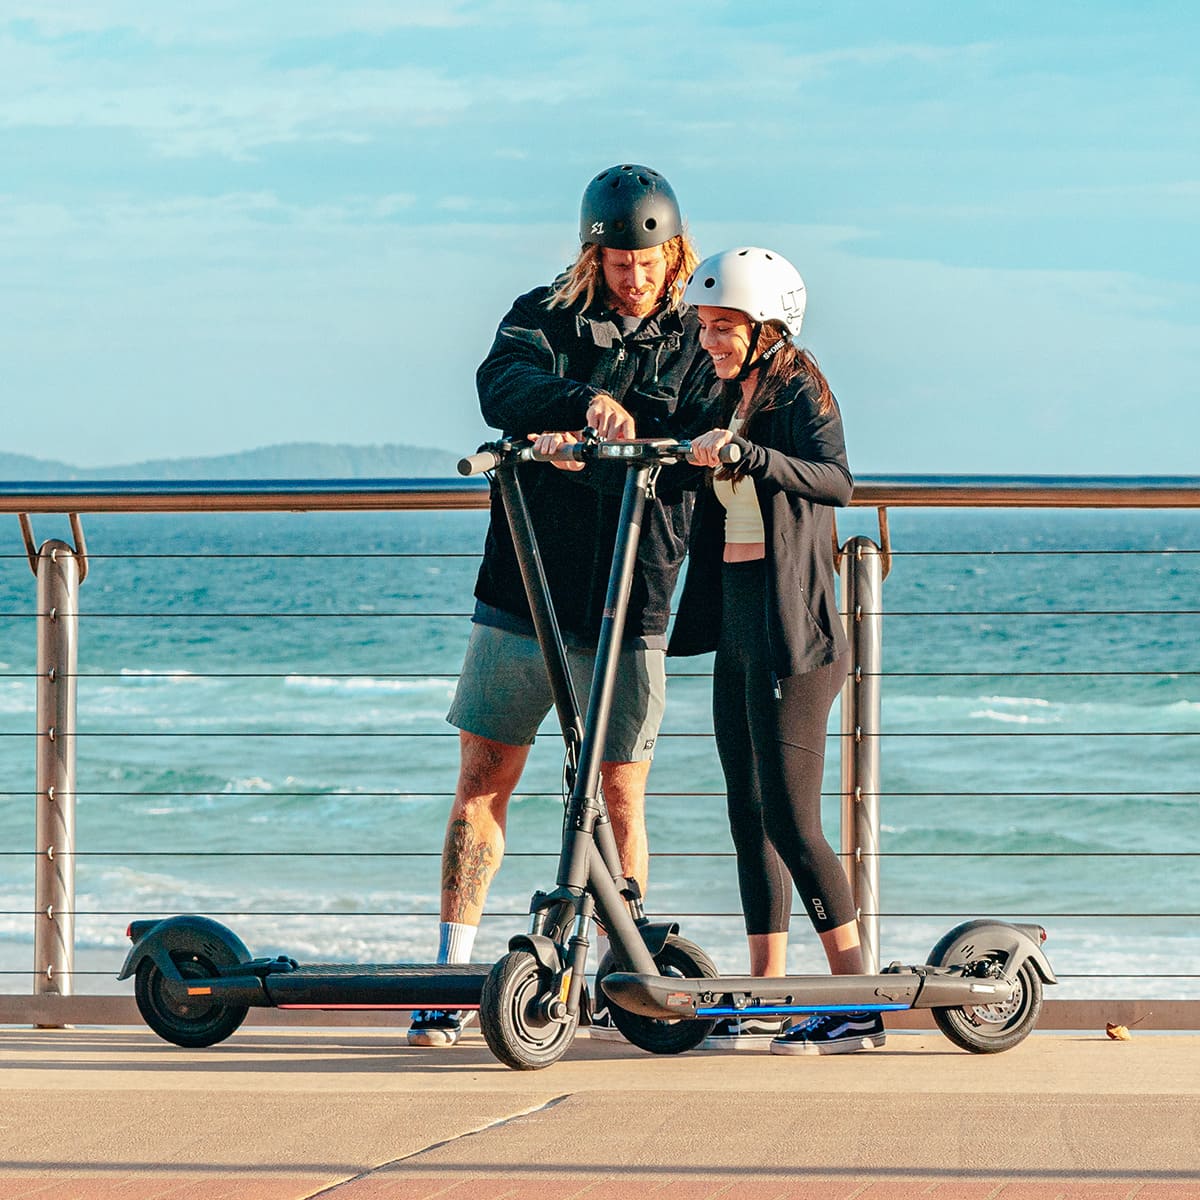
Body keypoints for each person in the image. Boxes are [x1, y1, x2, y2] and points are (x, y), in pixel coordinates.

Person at [407, 164, 717, 1047]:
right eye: (617, 260)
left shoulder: (697, 336)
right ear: (593, 252)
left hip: (631, 594)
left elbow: (709, 422)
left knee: (620, 791)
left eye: (647, 261)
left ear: (674, 251)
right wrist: (573, 407)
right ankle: (445, 975)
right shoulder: (541, 313)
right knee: (483, 779)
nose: (633, 276)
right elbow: (498, 384)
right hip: (522, 586)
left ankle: (621, 980)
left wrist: (639, 436)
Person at [669, 246, 884, 1055]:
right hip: (737, 618)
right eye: (705, 326)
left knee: (794, 819)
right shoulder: (715, 392)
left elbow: (837, 481)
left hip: (799, 632)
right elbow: (687, 463)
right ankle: (764, 994)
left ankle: (855, 1000)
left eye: (724, 327)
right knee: (747, 815)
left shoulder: (800, 391)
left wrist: (746, 455)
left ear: (766, 328)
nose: (710, 339)